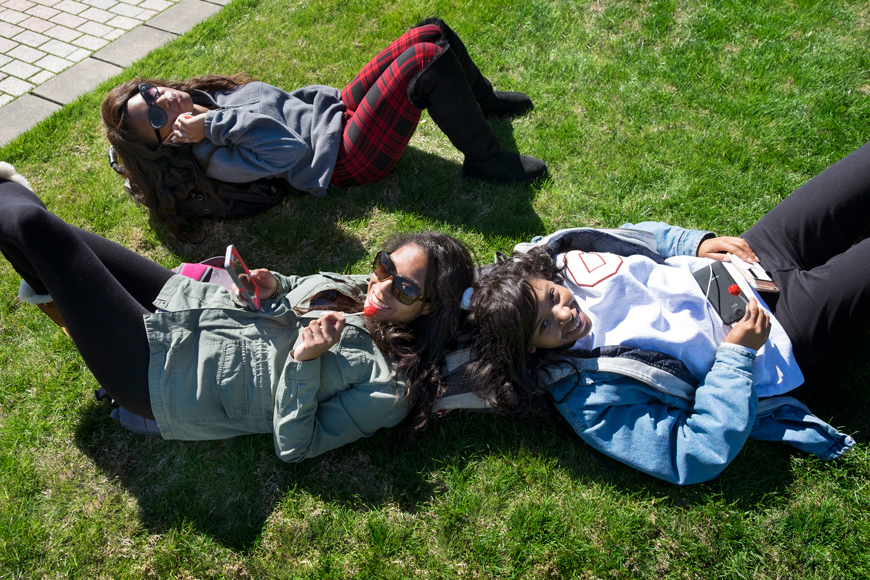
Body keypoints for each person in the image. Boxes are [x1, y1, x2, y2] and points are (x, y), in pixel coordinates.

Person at [464, 140, 870, 485]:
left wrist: (692, 244)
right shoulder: (586, 399)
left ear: (544, 277)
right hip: (783, 329)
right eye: (545, 326)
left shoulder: (561, 256)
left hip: (749, 256)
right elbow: (691, 453)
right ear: (532, 348)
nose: (564, 314)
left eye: (553, 297)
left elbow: (634, 236)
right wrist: (737, 356)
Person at [1, 168, 475, 461]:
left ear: (429, 307)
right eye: (384, 266)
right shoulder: (356, 288)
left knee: (35, 228)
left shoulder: (388, 388)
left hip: (166, 377)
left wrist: (305, 362)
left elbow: (297, 446)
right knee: (58, 238)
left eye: (405, 287)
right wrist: (275, 286)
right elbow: (294, 294)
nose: (382, 284)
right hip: (190, 304)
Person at [101, 18, 547, 237]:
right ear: (164, 143)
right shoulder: (210, 157)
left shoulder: (200, 99)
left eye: (150, 92)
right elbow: (290, 153)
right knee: (424, 63)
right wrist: (213, 127)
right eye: (155, 118)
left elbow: (276, 104)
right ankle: (484, 160)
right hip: (342, 159)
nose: (162, 100)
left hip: (334, 112)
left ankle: (480, 102)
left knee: (427, 31)